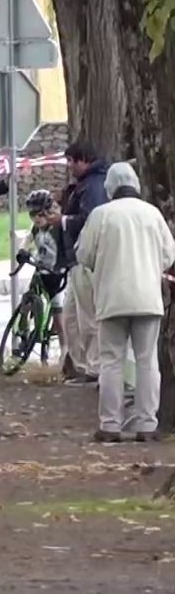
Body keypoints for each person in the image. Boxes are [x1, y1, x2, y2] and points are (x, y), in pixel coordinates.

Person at [75, 162, 175, 442]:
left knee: (111, 361)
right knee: (147, 361)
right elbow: (169, 255)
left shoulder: (101, 215)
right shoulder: (152, 214)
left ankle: (110, 425)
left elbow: (84, 254)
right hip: (148, 298)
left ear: (110, 187)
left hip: (112, 299)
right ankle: (147, 424)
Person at [60, 140, 111, 386]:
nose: (69, 166)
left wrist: (63, 221)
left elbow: (91, 220)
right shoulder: (84, 185)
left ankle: (95, 368)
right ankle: (82, 365)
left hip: (86, 258)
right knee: (71, 317)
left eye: (71, 161)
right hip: (76, 259)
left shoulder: (93, 186)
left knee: (87, 317)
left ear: (83, 160)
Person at [16, 189, 68, 347]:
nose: (36, 218)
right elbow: (27, 239)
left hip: (57, 273)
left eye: (40, 214)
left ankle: (64, 348)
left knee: (58, 313)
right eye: (32, 215)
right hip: (40, 269)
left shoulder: (58, 227)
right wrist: (22, 250)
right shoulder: (36, 228)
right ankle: (23, 331)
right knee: (27, 299)